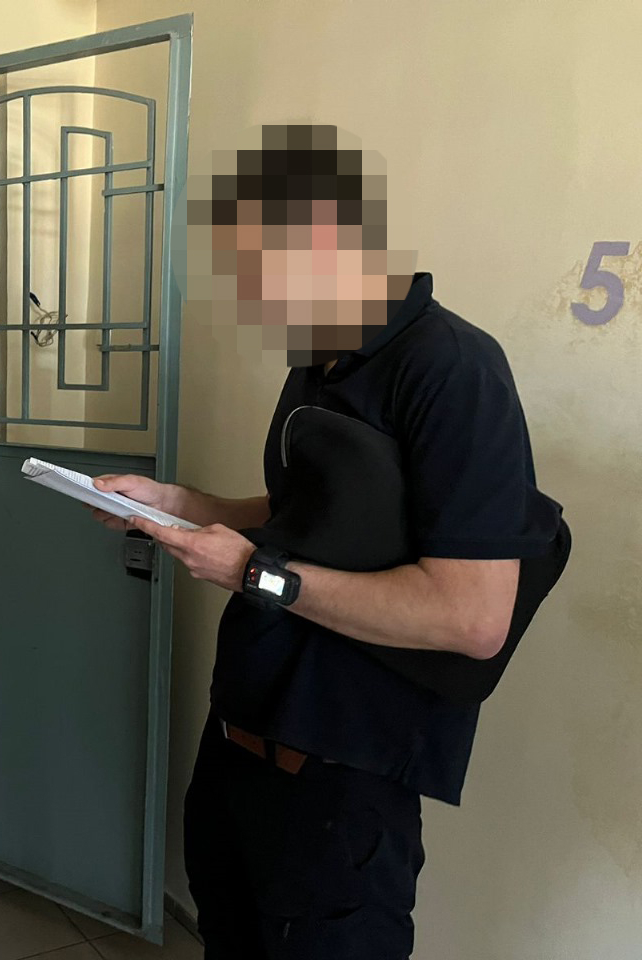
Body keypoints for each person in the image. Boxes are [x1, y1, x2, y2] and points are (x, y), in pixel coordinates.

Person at [92, 125, 567, 959]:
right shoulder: (323, 359)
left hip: (341, 790)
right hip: (239, 751)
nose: (250, 299)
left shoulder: (454, 369)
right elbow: (300, 514)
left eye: (258, 272)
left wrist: (252, 574)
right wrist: (178, 504)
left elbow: (471, 616)